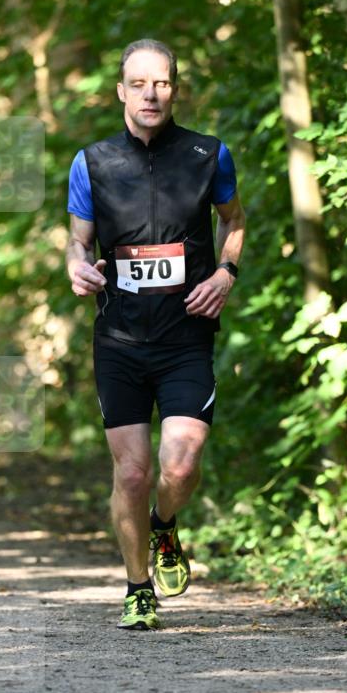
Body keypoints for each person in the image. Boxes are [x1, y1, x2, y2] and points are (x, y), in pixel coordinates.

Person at [65, 38, 246, 631]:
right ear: (121, 91)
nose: (151, 93)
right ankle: (137, 587)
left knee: (180, 466)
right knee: (134, 472)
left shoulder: (207, 154)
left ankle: (166, 526)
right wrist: (76, 266)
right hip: (118, 339)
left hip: (185, 335)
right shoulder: (91, 162)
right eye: (138, 83)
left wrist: (226, 271)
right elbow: (78, 241)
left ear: (174, 88)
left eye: (161, 83)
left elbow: (234, 221)